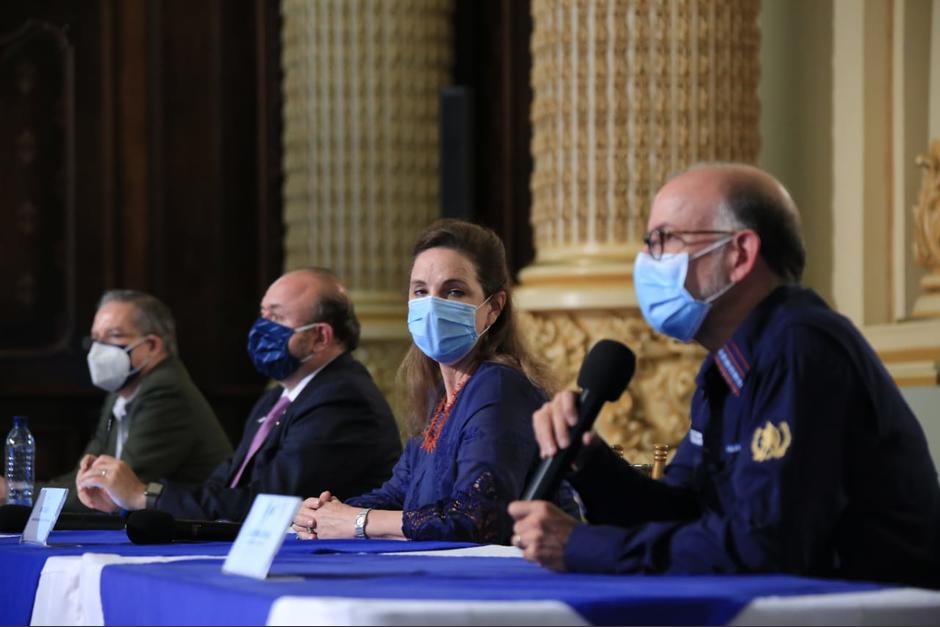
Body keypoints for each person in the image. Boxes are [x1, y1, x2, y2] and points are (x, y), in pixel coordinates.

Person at [509, 163, 940, 588]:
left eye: (665, 240)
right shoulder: (724, 365)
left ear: (740, 255)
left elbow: (767, 546)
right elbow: (687, 513)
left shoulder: (800, 346)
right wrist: (589, 462)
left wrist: (583, 546)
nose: (647, 262)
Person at [291, 220, 575, 544]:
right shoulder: (439, 394)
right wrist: (326, 513)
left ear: (494, 308)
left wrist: (357, 521)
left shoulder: (499, 387)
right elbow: (399, 493)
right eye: (421, 291)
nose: (432, 305)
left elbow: (474, 518)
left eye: (454, 291)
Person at [77, 268, 402, 522]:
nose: (261, 328)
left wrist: (143, 496)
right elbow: (223, 487)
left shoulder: (342, 401)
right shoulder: (276, 399)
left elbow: (270, 503)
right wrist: (125, 501)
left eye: (276, 317)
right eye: (263, 315)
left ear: (319, 337)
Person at [0, 290, 232, 511]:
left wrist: (14, 495)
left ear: (152, 346)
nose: (100, 349)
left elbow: (111, 494)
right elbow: (84, 478)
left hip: (196, 533)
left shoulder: (167, 393)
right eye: (96, 339)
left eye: (114, 335)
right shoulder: (121, 390)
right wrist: (18, 490)